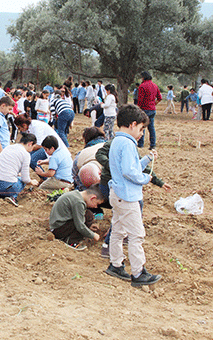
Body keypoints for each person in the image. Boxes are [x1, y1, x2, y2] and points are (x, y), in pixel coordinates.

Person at [104, 104, 162, 287]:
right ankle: (138, 273)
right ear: (132, 124)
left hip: (117, 193)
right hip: (128, 197)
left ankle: (115, 265)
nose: (142, 133)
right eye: (141, 128)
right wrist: (146, 178)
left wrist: (146, 159)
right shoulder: (128, 143)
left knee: (118, 231)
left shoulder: (117, 141)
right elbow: (130, 171)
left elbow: (130, 165)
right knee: (137, 235)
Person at [0, 133, 39, 206]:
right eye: (33, 146)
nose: (32, 149)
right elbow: (25, 179)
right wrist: (32, 182)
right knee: (21, 181)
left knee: (15, 178)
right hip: (5, 185)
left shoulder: (9, 147)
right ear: (30, 144)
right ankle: (12, 197)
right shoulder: (26, 154)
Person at [49, 185, 104, 250]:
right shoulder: (78, 202)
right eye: (97, 203)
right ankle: (71, 242)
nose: (96, 207)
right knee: (84, 219)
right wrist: (93, 235)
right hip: (58, 229)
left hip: (58, 225)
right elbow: (80, 227)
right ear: (92, 198)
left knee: (88, 214)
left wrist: (88, 227)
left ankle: (72, 237)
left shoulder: (76, 194)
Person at [136, 71, 161, 149]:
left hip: (144, 109)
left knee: (142, 127)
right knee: (151, 127)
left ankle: (140, 144)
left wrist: (138, 108)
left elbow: (140, 100)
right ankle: (153, 145)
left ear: (143, 77)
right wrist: (154, 104)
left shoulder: (142, 86)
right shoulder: (155, 85)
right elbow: (159, 98)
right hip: (152, 109)